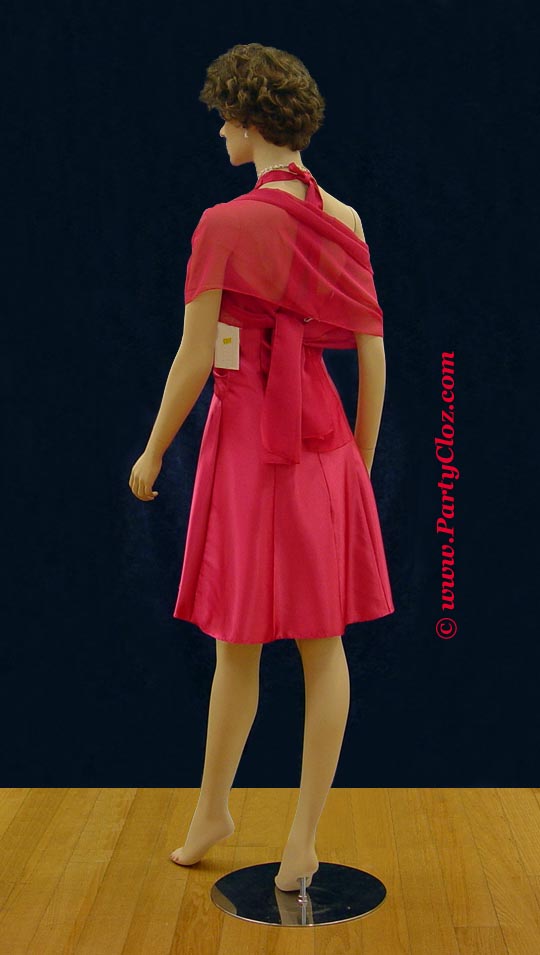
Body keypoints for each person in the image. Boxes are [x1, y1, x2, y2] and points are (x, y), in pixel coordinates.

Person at [128, 42, 395, 893]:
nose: (220, 134)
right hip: (324, 443)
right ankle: (296, 839)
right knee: (324, 644)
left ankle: (215, 808)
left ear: (248, 121)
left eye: (224, 120)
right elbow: (373, 356)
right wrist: (361, 465)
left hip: (247, 441)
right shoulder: (345, 218)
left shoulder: (224, 223)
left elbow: (193, 357)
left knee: (236, 641)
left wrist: (153, 448)